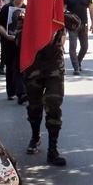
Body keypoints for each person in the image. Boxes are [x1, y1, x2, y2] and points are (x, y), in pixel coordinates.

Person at [22, 24, 67, 165]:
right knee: (34, 108)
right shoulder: (25, 18)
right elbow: (18, 41)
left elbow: (76, 23)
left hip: (54, 70)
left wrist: (59, 17)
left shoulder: (58, 16)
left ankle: (52, 149)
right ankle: (35, 136)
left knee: (54, 106)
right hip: (33, 69)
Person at [0, 0, 27, 103]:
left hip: (21, 43)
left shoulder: (26, 9)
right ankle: (11, 91)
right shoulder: (6, 8)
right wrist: (7, 36)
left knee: (20, 67)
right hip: (8, 42)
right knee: (10, 67)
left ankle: (21, 92)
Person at [64, 0, 93, 75]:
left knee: (85, 47)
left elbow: (91, 10)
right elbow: (63, 10)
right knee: (73, 47)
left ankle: (78, 61)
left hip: (84, 25)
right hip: (72, 25)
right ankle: (76, 67)